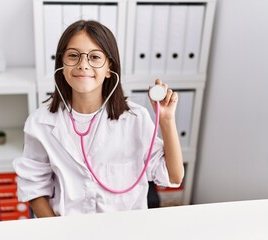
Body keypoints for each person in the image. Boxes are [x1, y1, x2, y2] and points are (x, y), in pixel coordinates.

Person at [13, 20, 184, 217]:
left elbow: (174, 176)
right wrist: (57, 231)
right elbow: (34, 187)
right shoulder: (41, 122)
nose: (83, 65)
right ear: (62, 63)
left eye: (94, 57)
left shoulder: (135, 119)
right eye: (73, 56)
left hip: (125, 229)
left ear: (109, 67)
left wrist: (167, 120)